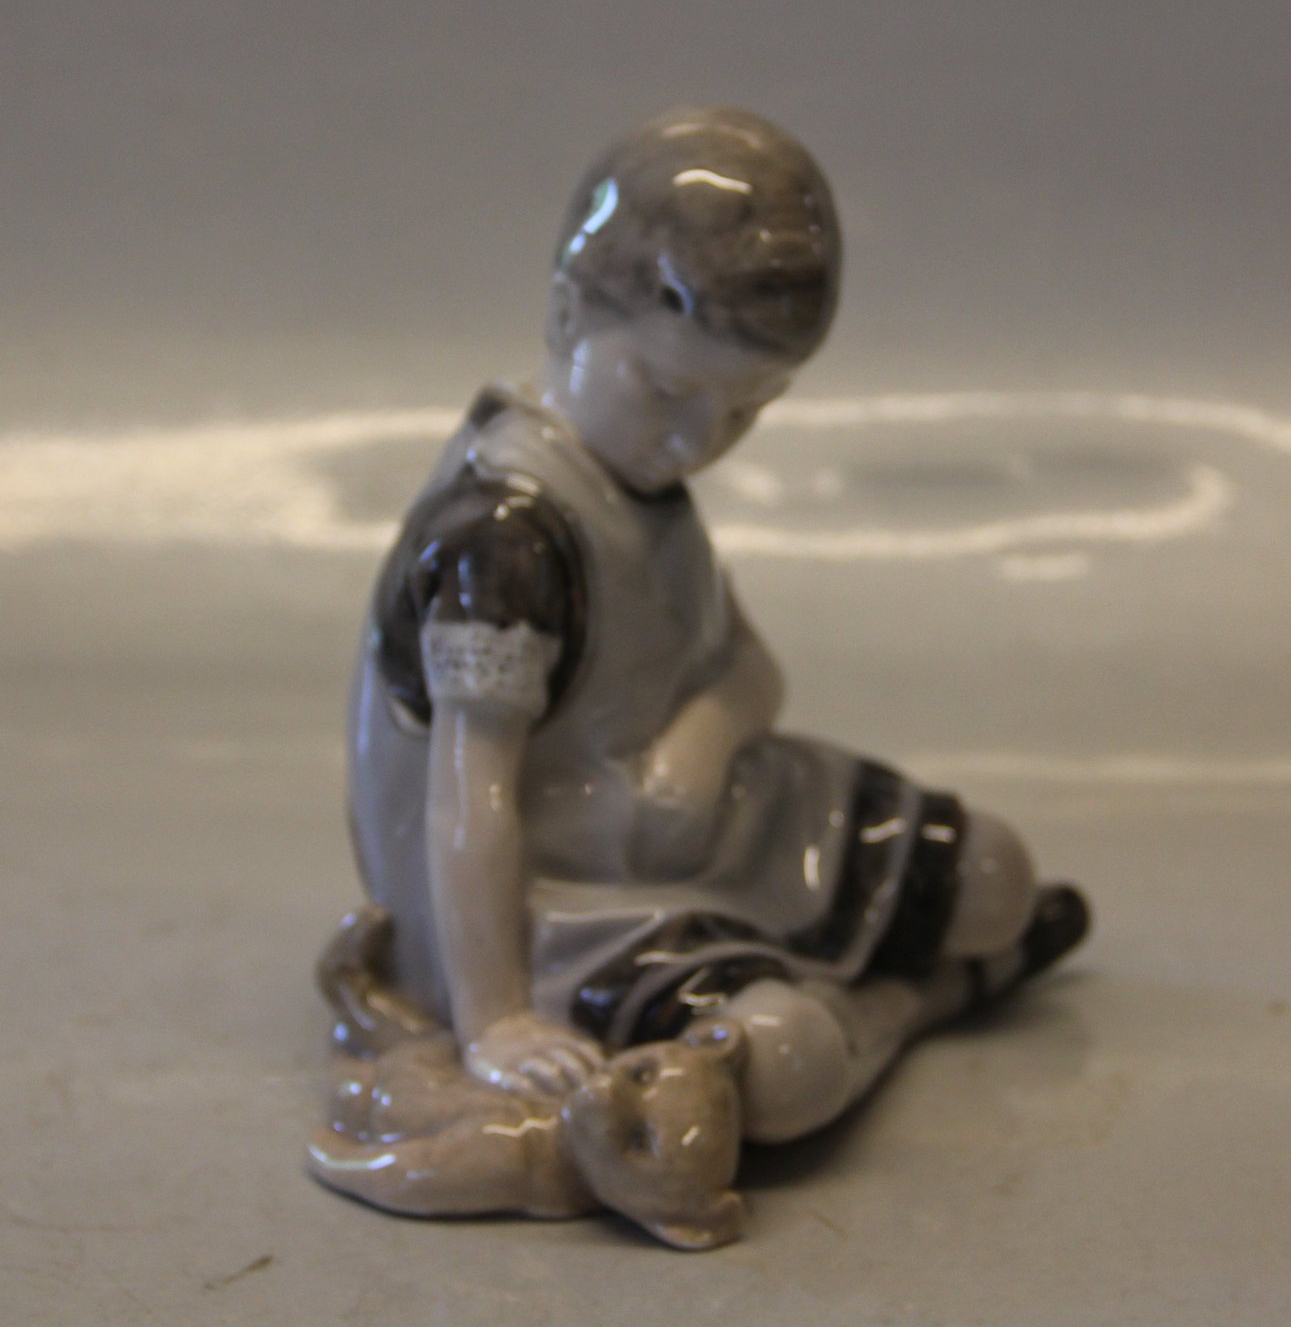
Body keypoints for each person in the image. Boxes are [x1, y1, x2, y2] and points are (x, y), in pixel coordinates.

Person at [343, 106, 1089, 1144]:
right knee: (780, 1067)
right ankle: (908, 1006)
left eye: (746, 410)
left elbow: (747, 670)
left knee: (993, 879)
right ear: (566, 314)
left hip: (705, 820)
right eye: (666, 388)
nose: (698, 439)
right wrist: (497, 1019)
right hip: (549, 900)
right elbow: (470, 796)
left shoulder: (640, 487)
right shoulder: (505, 536)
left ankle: (866, 991)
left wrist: (702, 740)